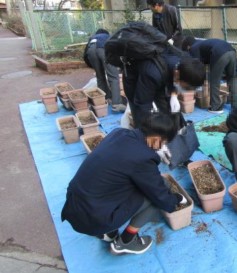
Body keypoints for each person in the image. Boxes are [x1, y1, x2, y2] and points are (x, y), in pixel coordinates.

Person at [61, 113, 188, 256]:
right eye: (164, 142)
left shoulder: (119, 133)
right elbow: (159, 195)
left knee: (136, 183)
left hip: (76, 205)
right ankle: (127, 241)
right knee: (156, 197)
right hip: (94, 218)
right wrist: (175, 199)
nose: (163, 146)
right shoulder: (143, 157)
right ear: (158, 139)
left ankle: (108, 233)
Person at [123, 49, 206, 128]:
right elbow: (143, 104)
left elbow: (173, 78)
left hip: (160, 73)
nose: (184, 89)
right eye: (185, 87)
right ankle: (141, 135)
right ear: (177, 73)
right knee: (140, 114)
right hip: (133, 77)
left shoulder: (184, 60)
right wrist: (151, 130)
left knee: (167, 107)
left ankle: (175, 130)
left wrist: (173, 95)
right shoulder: (153, 74)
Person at [182, 35, 237, 114]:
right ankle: (235, 106)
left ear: (188, 47)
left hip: (220, 54)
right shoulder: (202, 44)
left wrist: (198, 81)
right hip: (232, 51)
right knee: (231, 79)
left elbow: (196, 66)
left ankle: (216, 107)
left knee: (214, 82)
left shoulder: (193, 48)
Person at [84, 29, 126, 112]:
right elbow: (117, 51)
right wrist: (120, 66)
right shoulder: (108, 37)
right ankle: (117, 104)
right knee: (114, 78)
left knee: (100, 77)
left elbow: (85, 55)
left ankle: (105, 100)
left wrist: (94, 67)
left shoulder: (92, 38)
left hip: (91, 51)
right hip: (103, 50)